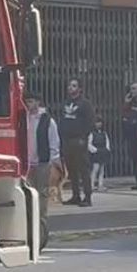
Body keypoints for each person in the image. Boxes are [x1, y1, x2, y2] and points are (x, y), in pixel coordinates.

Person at [59, 78, 95, 207]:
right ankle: (75, 195)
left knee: (83, 169)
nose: (70, 88)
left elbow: (90, 121)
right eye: (69, 85)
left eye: (74, 86)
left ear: (79, 88)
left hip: (79, 140)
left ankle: (87, 196)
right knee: (71, 169)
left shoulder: (85, 104)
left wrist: (83, 136)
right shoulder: (65, 103)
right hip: (67, 140)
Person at [24, 91, 60, 217]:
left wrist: (52, 161)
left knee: (42, 193)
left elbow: (54, 142)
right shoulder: (24, 118)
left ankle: (41, 220)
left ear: (38, 102)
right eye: (27, 102)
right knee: (28, 192)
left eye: (31, 101)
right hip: (28, 162)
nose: (28, 104)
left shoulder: (47, 120)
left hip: (42, 162)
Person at [88, 117, 111, 192]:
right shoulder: (92, 133)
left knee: (102, 170)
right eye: (97, 122)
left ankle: (100, 185)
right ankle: (91, 185)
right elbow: (89, 144)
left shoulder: (104, 133)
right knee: (95, 169)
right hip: (96, 152)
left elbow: (107, 142)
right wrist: (95, 150)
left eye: (100, 122)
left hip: (103, 152)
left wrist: (107, 149)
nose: (99, 124)